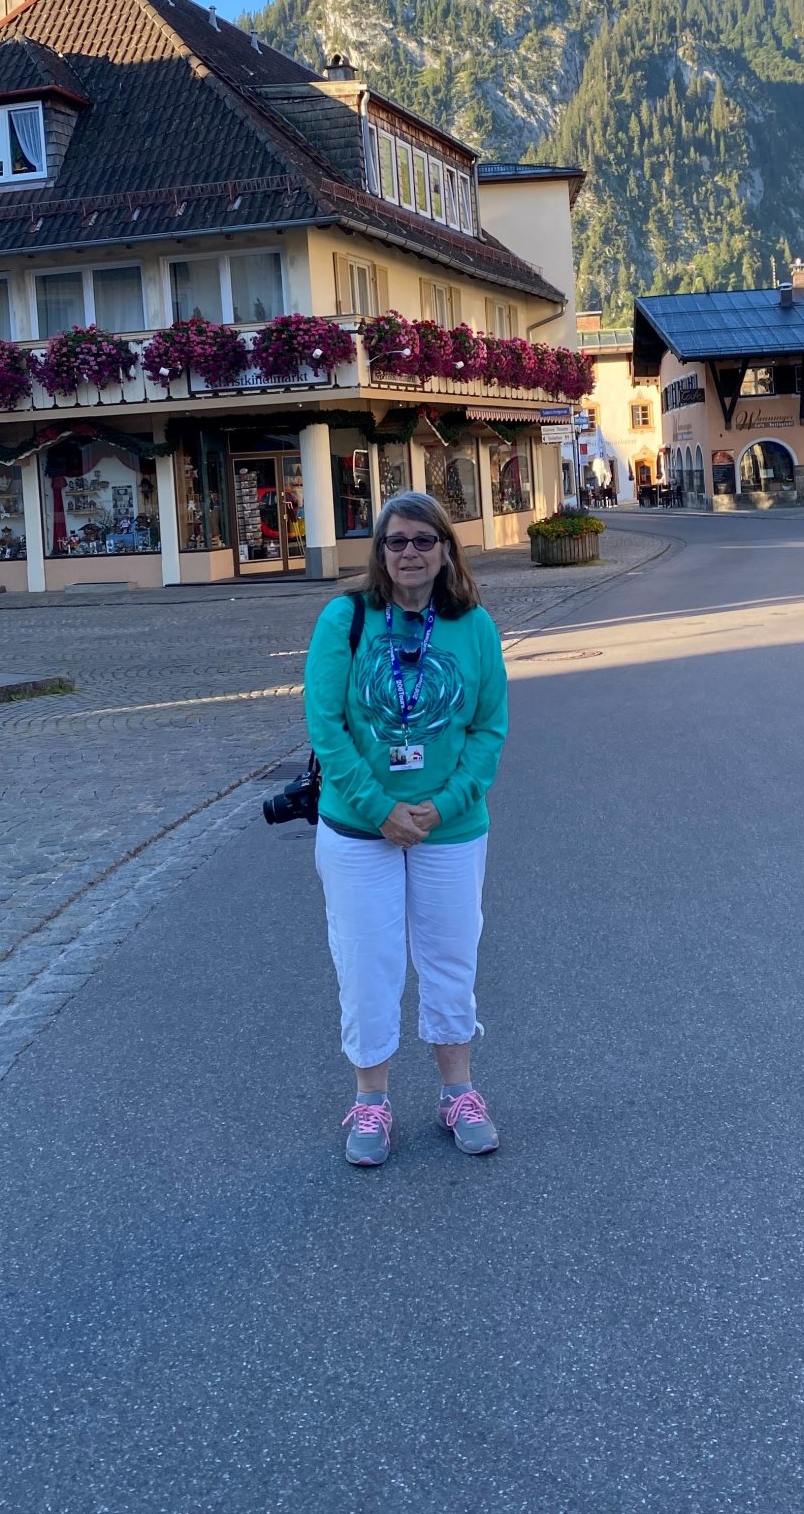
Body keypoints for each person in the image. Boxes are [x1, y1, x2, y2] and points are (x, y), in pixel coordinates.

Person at [303, 490, 509, 1167]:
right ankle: (372, 1101)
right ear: (380, 552)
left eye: (424, 540)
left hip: (450, 828)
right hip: (359, 829)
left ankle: (458, 1092)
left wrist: (443, 806)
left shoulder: (473, 626)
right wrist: (378, 808)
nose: (411, 552)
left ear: (446, 550)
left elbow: (489, 730)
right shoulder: (346, 619)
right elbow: (325, 726)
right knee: (367, 963)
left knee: (451, 959)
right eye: (397, 541)